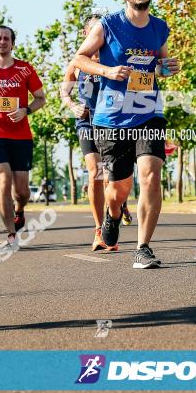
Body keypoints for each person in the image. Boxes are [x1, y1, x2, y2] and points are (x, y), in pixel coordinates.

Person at [73, 0, 181, 269]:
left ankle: (143, 247)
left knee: (150, 174)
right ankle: (113, 213)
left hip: (149, 113)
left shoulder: (159, 27)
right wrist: (108, 70)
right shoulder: (107, 25)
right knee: (119, 187)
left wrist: (166, 68)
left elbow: (159, 65)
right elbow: (79, 59)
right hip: (112, 118)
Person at [0, 25, 46, 249]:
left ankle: (19, 211)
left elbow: (40, 98)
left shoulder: (25, 69)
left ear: (13, 43)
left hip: (21, 136)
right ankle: (11, 235)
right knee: (3, 179)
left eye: (6, 38)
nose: (2, 42)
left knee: (22, 193)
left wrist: (26, 110)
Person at [62, 15, 133, 251]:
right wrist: (73, 106)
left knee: (114, 175)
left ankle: (117, 205)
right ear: (86, 35)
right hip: (87, 121)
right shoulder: (77, 62)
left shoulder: (112, 57)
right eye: (94, 31)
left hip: (113, 122)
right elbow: (65, 91)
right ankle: (99, 230)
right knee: (96, 172)